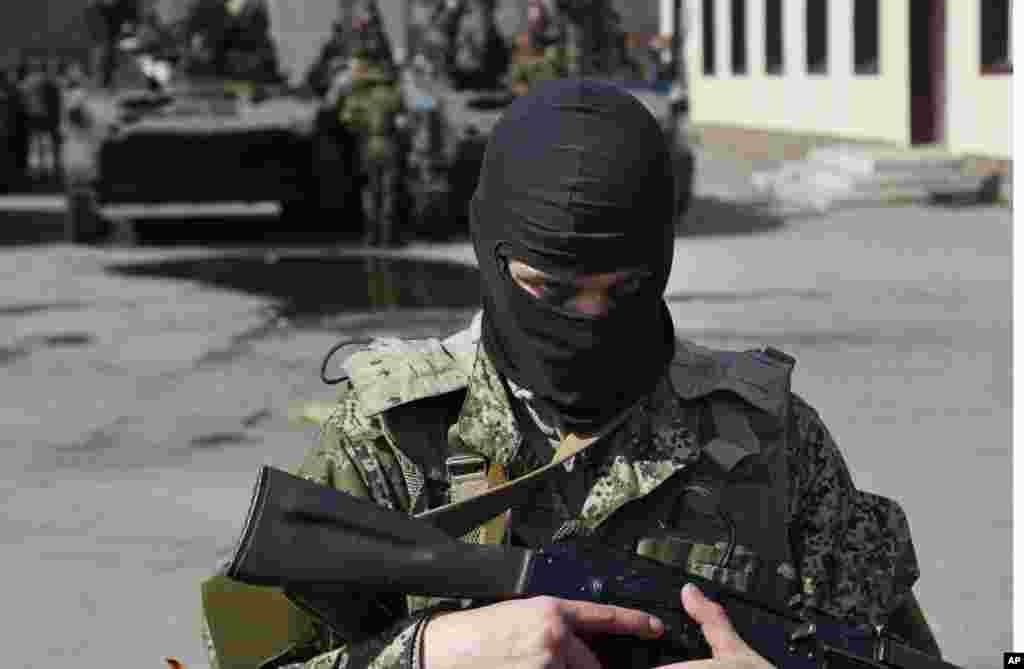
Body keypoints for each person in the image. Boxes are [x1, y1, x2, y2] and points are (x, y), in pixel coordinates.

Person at [201, 79, 941, 669]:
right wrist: (429, 654)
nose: (587, 323)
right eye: (548, 291)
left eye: (622, 292)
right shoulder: (393, 438)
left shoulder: (772, 440)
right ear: (489, 252)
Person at [336, 47, 407, 247]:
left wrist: (360, 129)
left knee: (370, 191)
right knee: (388, 192)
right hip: (388, 142)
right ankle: (387, 236)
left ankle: (370, 236)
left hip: (367, 144)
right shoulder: (392, 92)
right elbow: (403, 121)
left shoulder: (359, 93)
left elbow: (346, 118)